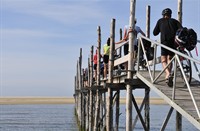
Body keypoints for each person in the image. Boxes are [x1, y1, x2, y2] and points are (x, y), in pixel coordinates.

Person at [153, 8, 182, 87]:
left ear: (163, 15)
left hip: (164, 42)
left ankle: (168, 74)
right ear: (170, 15)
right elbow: (181, 30)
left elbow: (154, 33)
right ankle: (169, 75)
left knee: (163, 60)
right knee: (170, 59)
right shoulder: (175, 21)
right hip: (173, 43)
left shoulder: (160, 21)